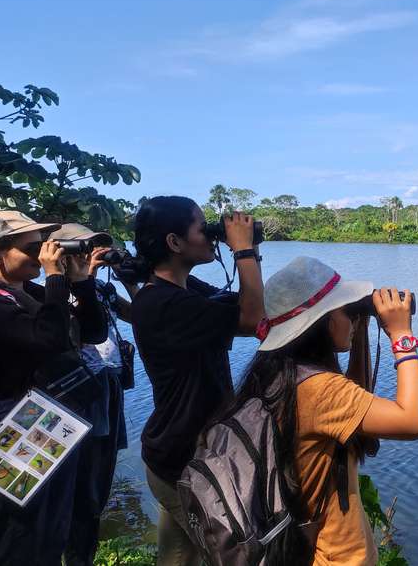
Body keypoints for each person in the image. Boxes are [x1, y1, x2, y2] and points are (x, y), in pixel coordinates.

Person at [229, 256, 418, 566]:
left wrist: (359, 328)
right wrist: (402, 337)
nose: (351, 317)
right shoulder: (319, 390)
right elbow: (415, 421)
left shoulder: (283, 375)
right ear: (321, 322)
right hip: (336, 558)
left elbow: (351, 413)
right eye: (345, 310)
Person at [0, 211, 108, 566]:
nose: (43, 254)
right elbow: (50, 340)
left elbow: (93, 333)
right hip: (14, 431)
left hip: (52, 424)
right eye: (32, 248)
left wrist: (82, 282)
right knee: (11, 534)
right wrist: (56, 278)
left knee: (49, 531)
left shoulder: (33, 293)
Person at [129, 196, 265, 566]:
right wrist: (244, 251)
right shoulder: (163, 304)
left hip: (177, 453)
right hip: (182, 460)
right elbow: (254, 320)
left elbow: (248, 304)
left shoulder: (184, 292)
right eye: (203, 229)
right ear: (174, 243)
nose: (211, 236)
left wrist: (250, 252)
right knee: (229, 554)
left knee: (178, 556)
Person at [50, 224, 136, 566]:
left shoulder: (103, 288)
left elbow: (144, 315)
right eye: (87, 250)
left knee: (102, 469)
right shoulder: (58, 291)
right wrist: (82, 276)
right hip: (79, 391)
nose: (95, 255)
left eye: (100, 249)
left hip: (109, 383)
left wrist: (126, 274)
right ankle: (74, 551)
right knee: (82, 476)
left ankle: (84, 548)